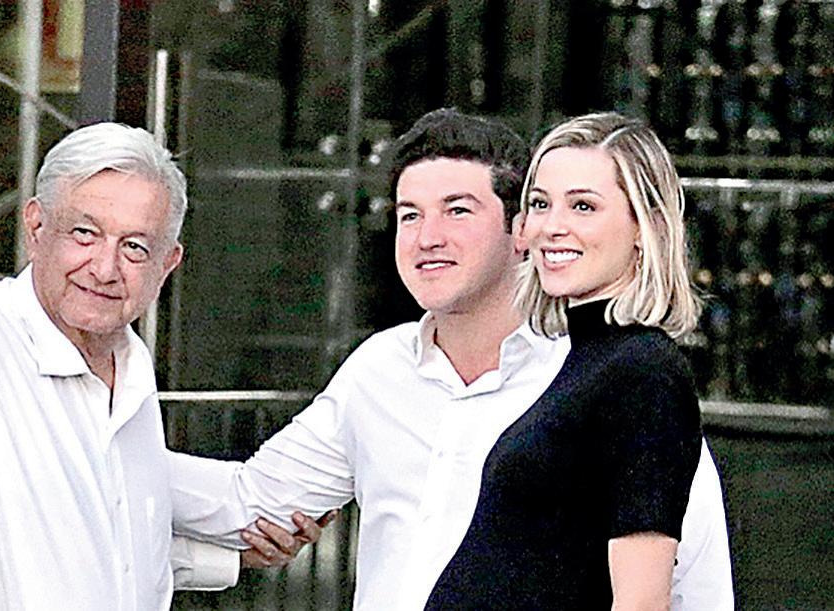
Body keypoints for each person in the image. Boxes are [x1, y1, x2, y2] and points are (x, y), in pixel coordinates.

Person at [0, 7, 316, 609]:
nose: (105, 268)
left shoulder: (127, 370)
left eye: (135, 247)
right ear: (35, 227)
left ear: (168, 264)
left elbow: (101, 537)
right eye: (84, 233)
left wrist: (229, 552)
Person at [169, 108, 733, 609]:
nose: (427, 237)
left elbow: (687, 585)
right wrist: (117, 452)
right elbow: (251, 502)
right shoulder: (378, 371)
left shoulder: (612, 377)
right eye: (409, 215)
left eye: (457, 211)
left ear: (517, 231)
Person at [426, 113, 707, 608]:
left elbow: (641, 601)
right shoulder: (585, 363)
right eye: (540, 204)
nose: (552, 228)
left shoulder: (643, 372)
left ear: (645, 226)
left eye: (583, 206)